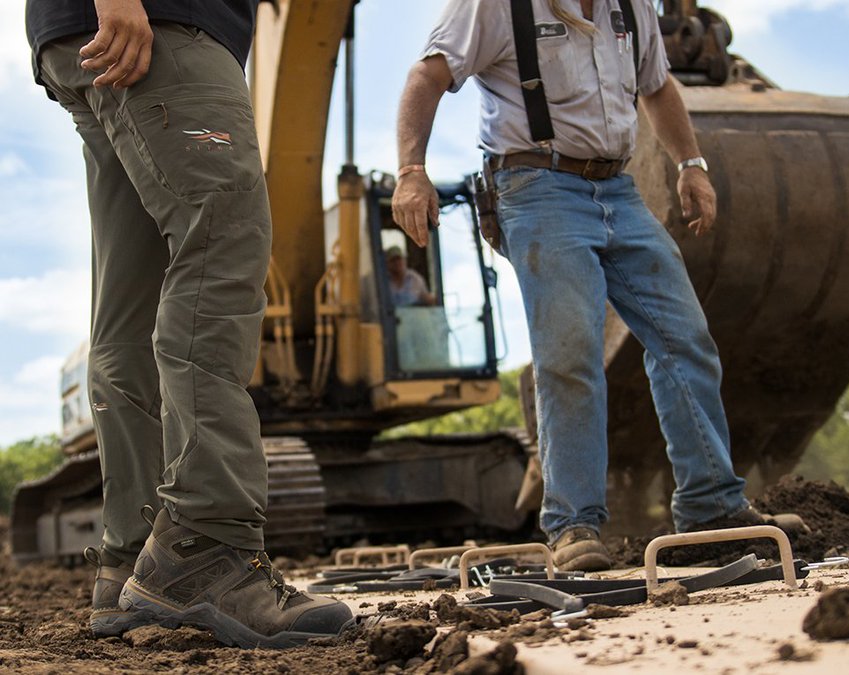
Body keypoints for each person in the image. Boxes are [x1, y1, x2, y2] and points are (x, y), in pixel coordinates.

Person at [393, 0, 800, 572]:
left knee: (684, 338)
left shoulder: (632, 7)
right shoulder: (495, 6)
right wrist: (412, 173)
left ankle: (713, 510)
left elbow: (657, 87)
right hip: (535, 186)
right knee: (570, 355)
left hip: (619, 189)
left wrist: (691, 164)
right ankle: (573, 524)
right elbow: (426, 76)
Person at [25, 0, 352, 645]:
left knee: (134, 298)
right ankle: (207, 544)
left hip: (92, 35)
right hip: (158, 25)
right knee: (223, 244)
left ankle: (131, 560)